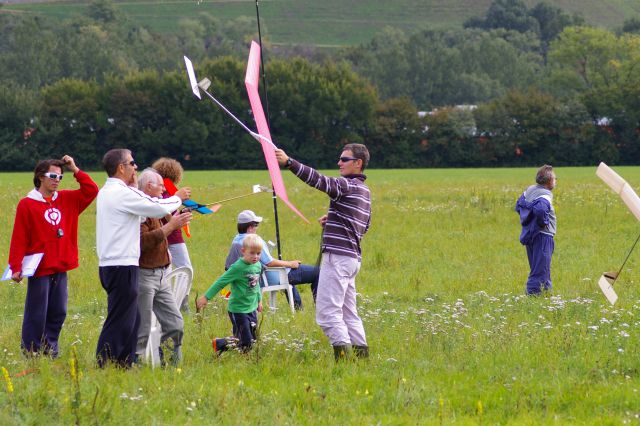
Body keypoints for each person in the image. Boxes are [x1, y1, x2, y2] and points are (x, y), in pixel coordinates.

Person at [275, 144, 371, 361]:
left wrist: (289, 163)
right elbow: (364, 225)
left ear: (358, 163)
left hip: (337, 258)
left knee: (328, 314)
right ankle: (362, 360)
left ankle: (344, 362)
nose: (339, 163)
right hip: (352, 259)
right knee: (349, 313)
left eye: (344, 159)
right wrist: (336, 221)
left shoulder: (347, 185)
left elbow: (320, 181)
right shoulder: (365, 191)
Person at [95, 149, 190, 368]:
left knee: (128, 318)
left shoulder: (111, 192)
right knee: (122, 319)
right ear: (121, 167)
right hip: (121, 265)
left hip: (113, 263)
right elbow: (156, 208)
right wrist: (176, 198)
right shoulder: (122, 193)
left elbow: (145, 209)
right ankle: (108, 362)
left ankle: (122, 362)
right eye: (132, 163)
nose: (135, 167)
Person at [8, 155, 98, 358]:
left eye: (60, 176)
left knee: (58, 312)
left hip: (61, 266)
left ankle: (50, 349)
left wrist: (75, 169)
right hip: (39, 268)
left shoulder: (67, 199)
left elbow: (91, 190)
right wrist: (15, 266)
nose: (57, 180)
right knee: (37, 314)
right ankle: (31, 352)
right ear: (40, 177)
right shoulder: (27, 204)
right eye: (52, 175)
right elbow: (19, 238)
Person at [135, 169, 192, 366]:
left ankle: (168, 361)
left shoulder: (156, 208)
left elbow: (168, 221)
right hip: (144, 275)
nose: (164, 190)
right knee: (142, 327)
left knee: (175, 323)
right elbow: (143, 242)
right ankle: (136, 366)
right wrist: (170, 226)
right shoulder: (141, 211)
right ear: (149, 187)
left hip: (162, 274)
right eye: (161, 186)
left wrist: (176, 219)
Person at [224, 209, 319, 309]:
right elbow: (269, 262)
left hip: (255, 279)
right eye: (256, 225)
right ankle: (320, 307)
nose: (257, 228)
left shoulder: (236, 240)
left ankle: (298, 308)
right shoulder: (254, 241)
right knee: (317, 272)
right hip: (273, 277)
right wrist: (291, 264)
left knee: (289, 277)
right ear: (250, 227)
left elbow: (228, 266)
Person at [196, 234, 264, 354]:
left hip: (251, 308)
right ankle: (244, 361)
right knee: (246, 342)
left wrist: (259, 301)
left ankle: (219, 343)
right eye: (252, 253)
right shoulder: (237, 267)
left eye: (258, 253)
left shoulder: (258, 265)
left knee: (252, 340)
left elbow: (256, 284)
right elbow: (220, 282)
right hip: (238, 310)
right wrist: (206, 297)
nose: (256, 256)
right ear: (243, 251)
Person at [151, 157, 193, 312]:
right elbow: (165, 210)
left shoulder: (171, 191)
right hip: (167, 235)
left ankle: (182, 300)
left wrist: (182, 213)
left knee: (181, 268)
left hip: (171, 235)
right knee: (183, 269)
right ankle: (175, 302)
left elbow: (172, 211)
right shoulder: (163, 191)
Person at [515, 164, 557, 295]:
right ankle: (532, 296)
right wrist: (542, 223)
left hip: (530, 234)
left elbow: (518, 205)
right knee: (539, 270)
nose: (556, 181)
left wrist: (528, 220)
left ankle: (546, 293)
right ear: (549, 181)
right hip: (543, 236)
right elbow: (540, 210)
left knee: (541, 267)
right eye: (555, 178)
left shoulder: (530, 190)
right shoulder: (545, 195)